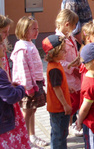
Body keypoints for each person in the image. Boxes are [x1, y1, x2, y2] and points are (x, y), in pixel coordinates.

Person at [10, 16, 47, 147]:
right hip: (28, 86)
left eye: (37, 29)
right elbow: (23, 69)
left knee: (33, 110)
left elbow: (35, 65)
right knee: (27, 111)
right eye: (34, 29)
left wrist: (40, 79)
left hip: (35, 84)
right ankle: (24, 138)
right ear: (25, 30)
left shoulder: (30, 44)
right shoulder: (22, 48)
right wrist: (28, 87)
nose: (37, 31)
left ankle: (32, 135)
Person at [55, 9, 83, 137]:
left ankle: (72, 125)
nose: (75, 28)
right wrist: (72, 67)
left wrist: (78, 62)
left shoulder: (70, 37)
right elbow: (59, 62)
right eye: (74, 25)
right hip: (67, 76)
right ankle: (67, 126)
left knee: (76, 101)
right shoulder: (58, 40)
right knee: (71, 102)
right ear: (67, 24)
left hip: (75, 74)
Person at [0, 35, 31, 149]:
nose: (4, 47)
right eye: (1, 44)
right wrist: (21, 88)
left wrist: (9, 86)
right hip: (4, 123)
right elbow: (11, 96)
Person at [42, 35, 72, 149]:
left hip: (57, 108)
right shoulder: (54, 69)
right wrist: (65, 105)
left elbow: (59, 84)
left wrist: (68, 88)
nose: (65, 52)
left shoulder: (55, 64)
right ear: (54, 52)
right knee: (60, 135)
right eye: (63, 50)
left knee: (57, 133)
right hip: (59, 108)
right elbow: (56, 88)